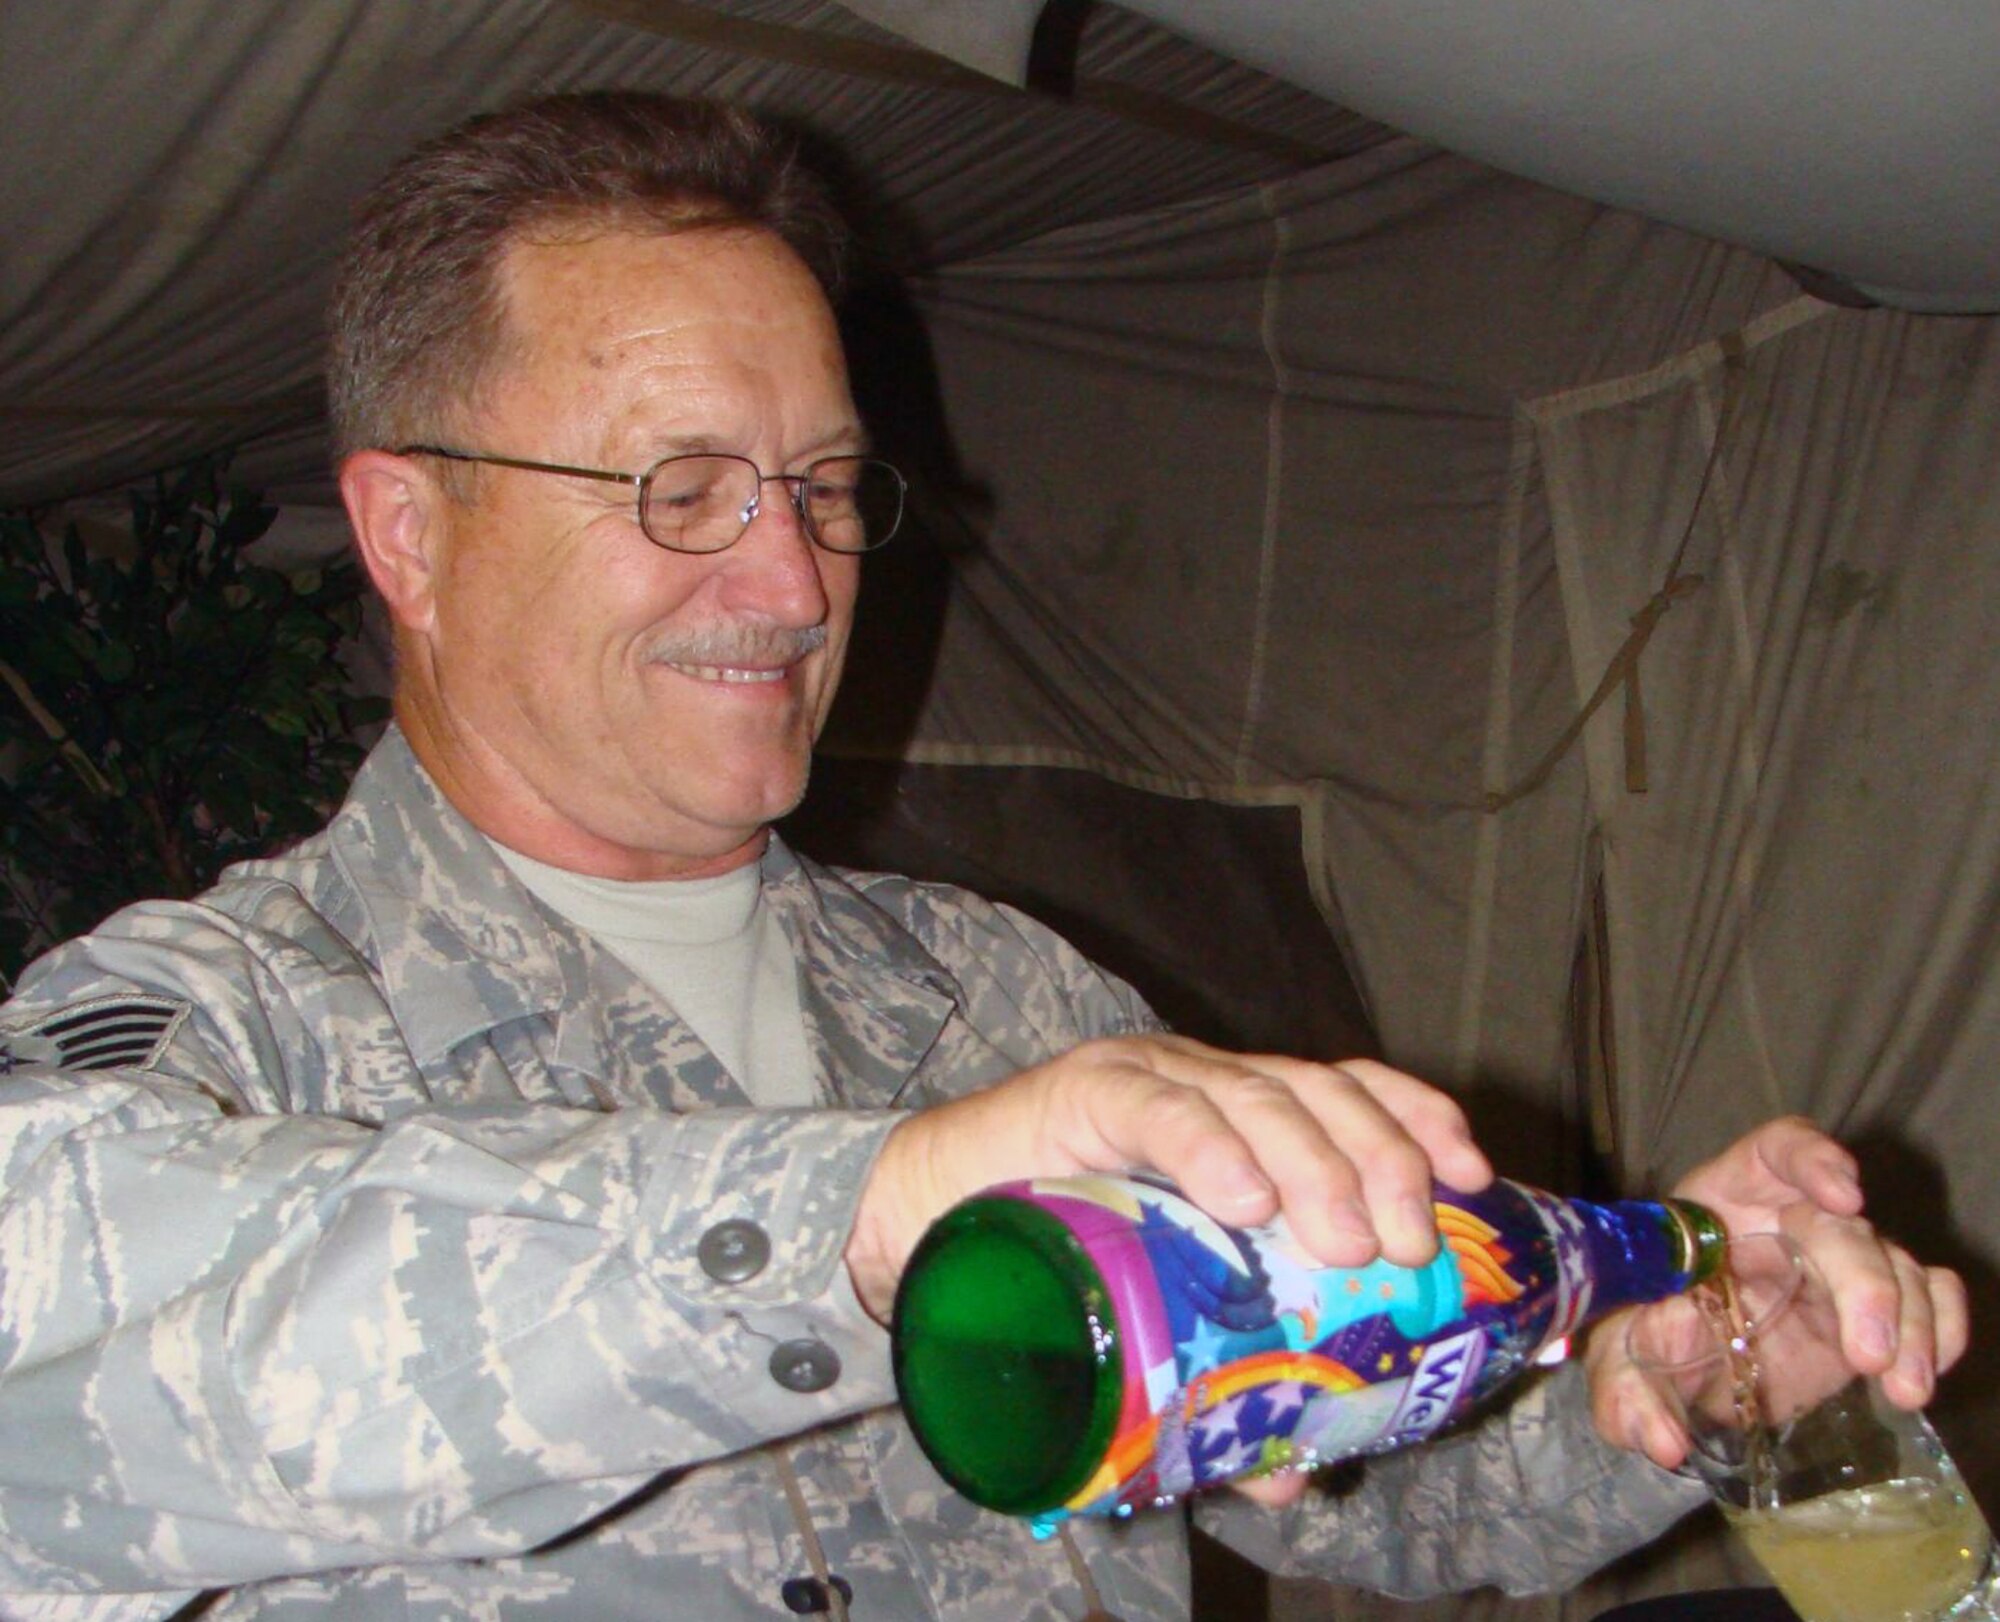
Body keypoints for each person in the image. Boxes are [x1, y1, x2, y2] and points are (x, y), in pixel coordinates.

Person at [0, 92, 1965, 1622]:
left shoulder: (1000, 994)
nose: (787, 576)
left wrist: (1654, 1379)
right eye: (678, 487)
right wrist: (869, 1206)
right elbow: (47, 1399)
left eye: (829, 485)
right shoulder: (230, 1018)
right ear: (409, 535)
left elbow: (1336, 1486)